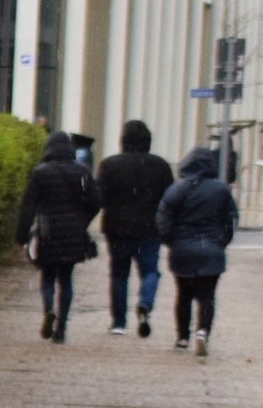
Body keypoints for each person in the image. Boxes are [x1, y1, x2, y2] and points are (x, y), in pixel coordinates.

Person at [14, 131, 101, 343]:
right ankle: (61, 328)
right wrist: (83, 220)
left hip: (48, 231)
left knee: (48, 276)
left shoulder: (40, 173)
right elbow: (96, 200)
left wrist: (22, 236)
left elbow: (28, 207)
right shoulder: (81, 171)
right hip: (74, 233)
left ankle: (49, 309)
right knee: (66, 279)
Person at [156, 145, 239, 357]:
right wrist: (221, 242)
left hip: (182, 249)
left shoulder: (177, 189)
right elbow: (231, 220)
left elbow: (163, 218)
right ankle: (203, 332)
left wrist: (171, 241)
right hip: (211, 248)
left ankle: (182, 337)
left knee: (183, 295)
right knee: (207, 296)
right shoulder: (221, 190)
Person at [96, 120, 174, 338]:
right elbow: (170, 199)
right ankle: (145, 303)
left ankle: (119, 322)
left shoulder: (109, 165)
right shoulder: (160, 166)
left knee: (119, 274)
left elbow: (99, 197)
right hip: (149, 228)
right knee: (150, 271)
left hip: (117, 228)